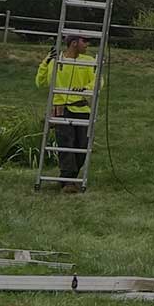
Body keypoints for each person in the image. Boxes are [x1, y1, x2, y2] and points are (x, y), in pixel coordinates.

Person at [35, 35, 95, 193]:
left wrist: (85, 89)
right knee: (66, 143)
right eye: (84, 41)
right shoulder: (56, 61)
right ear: (74, 43)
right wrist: (46, 61)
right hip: (61, 109)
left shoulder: (88, 61)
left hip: (82, 109)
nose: (87, 44)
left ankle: (70, 178)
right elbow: (39, 82)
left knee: (82, 145)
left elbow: (98, 80)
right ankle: (68, 181)